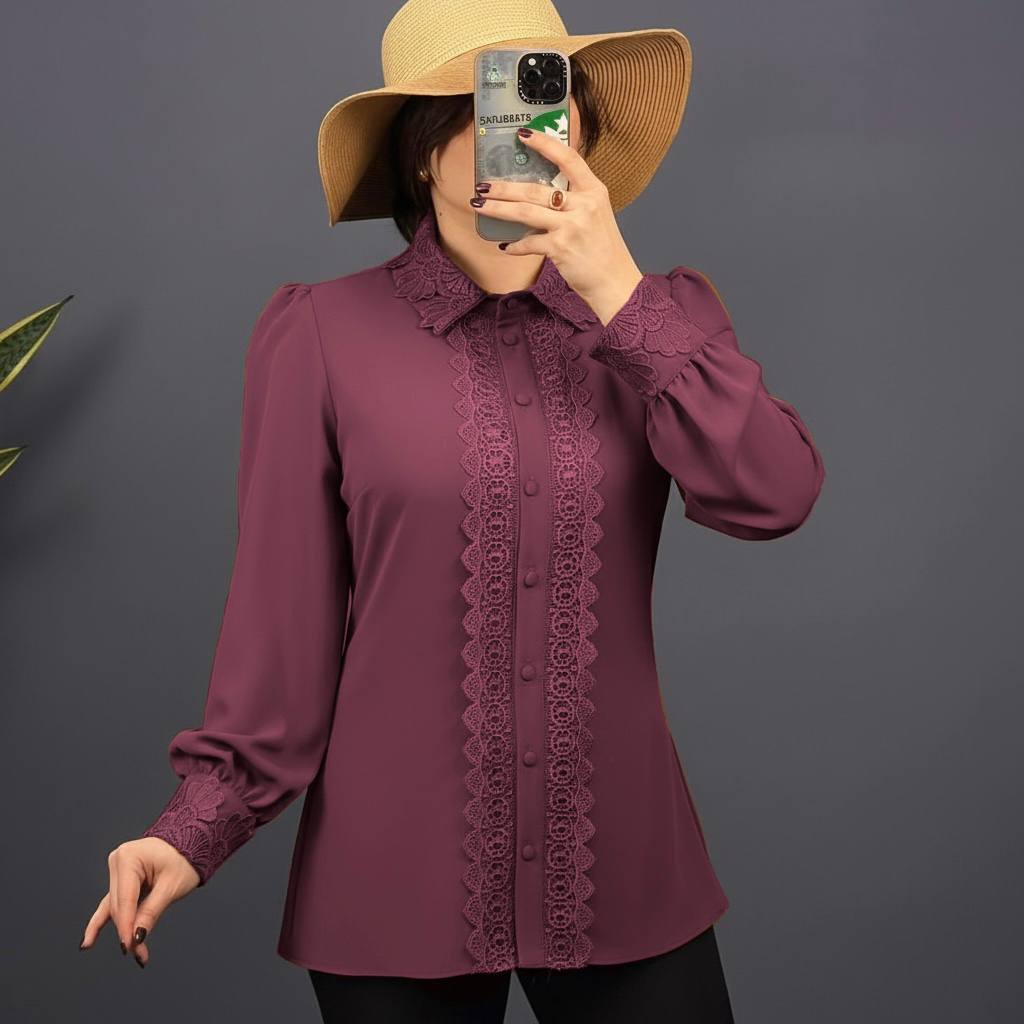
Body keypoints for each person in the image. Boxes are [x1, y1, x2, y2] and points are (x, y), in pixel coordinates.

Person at [80, 1, 825, 1020]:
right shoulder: (321, 336)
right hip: (392, 877)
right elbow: (281, 629)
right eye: (490, 103)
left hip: (622, 866)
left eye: (546, 101)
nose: (528, 134)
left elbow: (774, 493)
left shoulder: (664, 320)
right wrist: (192, 828)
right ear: (422, 150)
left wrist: (616, 290)